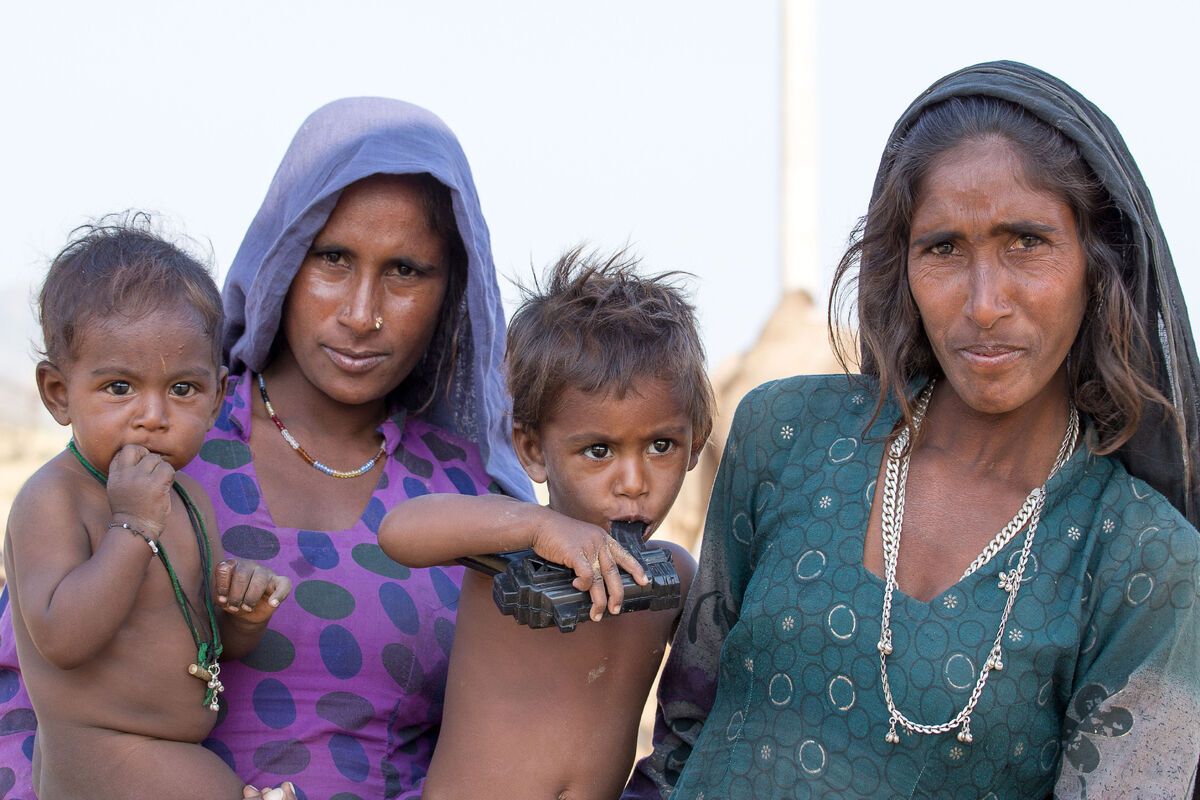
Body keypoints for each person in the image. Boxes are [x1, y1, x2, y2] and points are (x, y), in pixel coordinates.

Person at [627, 61, 1200, 799]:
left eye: (1025, 241)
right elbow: (680, 741)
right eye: (943, 249)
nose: (985, 301)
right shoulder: (786, 435)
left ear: (1098, 264)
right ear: (901, 267)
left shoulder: (1143, 562)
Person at [0, 98, 533, 799]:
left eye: (406, 271)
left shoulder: (466, 496)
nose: (361, 314)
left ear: (451, 289)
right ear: (285, 257)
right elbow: (24, 702)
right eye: (333, 258)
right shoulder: (154, 451)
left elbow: (493, 743)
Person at [380, 250, 714, 799]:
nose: (633, 481)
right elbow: (399, 531)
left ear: (696, 442)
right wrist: (536, 527)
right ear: (533, 450)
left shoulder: (672, 577)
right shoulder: (509, 549)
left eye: (661, 445)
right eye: (598, 450)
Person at [5, 220, 295, 799]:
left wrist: (241, 617)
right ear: (59, 394)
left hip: (172, 753)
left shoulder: (188, 500)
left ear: (215, 398)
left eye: (183, 390)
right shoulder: (53, 499)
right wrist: (131, 527)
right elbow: (62, 639)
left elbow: (199, 639)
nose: (153, 416)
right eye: (119, 387)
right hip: (99, 754)